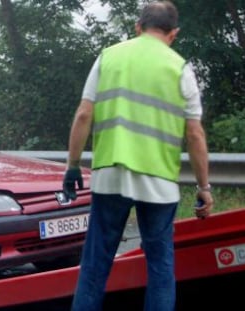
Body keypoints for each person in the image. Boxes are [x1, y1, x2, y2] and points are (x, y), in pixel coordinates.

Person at [62, 1, 214, 310]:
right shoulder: (180, 67)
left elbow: (83, 115)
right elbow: (195, 135)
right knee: (160, 267)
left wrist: (73, 165)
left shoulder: (109, 57)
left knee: (95, 264)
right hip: (158, 181)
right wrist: (204, 187)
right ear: (174, 33)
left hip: (110, 175)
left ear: (137, 27)